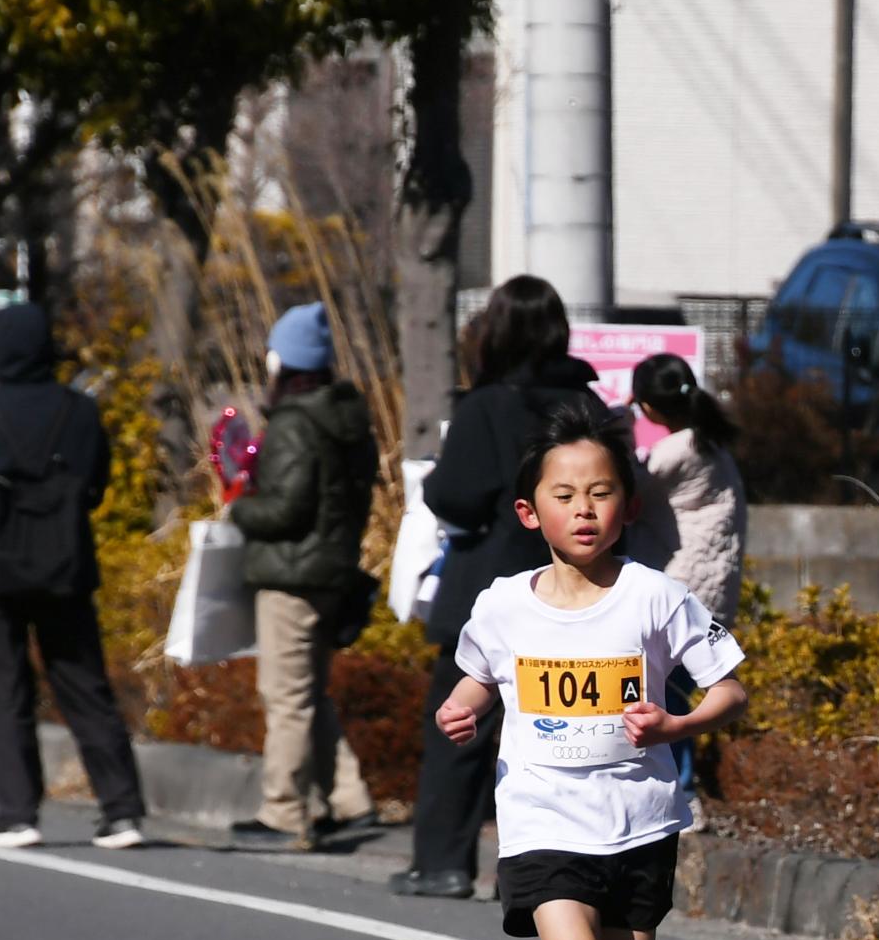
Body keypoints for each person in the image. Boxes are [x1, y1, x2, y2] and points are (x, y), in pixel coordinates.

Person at [435, 402, 747, 940]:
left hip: (640, 824)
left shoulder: (656, 596)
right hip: (542, 822)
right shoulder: (503, 605)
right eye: (565, 494)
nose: (584, 509)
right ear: (530, 511)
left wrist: (678, 725)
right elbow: (476, 677)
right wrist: (462, 710)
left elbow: (729, 686)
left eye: (601, 492)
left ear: (628, 506)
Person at [388, 275, 625, 899]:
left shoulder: (486, 405)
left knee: (459, 726)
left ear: (494, 331)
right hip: (579, 591)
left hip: (489, 591)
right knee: (564, 736)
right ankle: (545, 870)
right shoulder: (589, 407)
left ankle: (442, 862)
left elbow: (453, 497)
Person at [0, 302, 147, 848]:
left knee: (4, 689)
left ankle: (17, 813)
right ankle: (122, 810)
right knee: (84, 684)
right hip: (66, 565)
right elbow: (97, 485)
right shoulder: (79, 413)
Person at [227, 302, 380, 851]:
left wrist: (240, 505)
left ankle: (284, 812)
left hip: (290, 577)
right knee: (310, 693)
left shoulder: (294, 422)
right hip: (331, 572)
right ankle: (349, 800)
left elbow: (285, 509)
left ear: (283, 362)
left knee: (285, 695)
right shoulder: (348, 420)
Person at [623, 351, 747, 832]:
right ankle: (683, 790)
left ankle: (682, 795)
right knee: (679, 692)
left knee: (669, 700)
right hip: (712, 589)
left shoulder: (674, 453)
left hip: (679, 591)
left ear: (648, 409)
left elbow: (625, 490)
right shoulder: (711, 444)